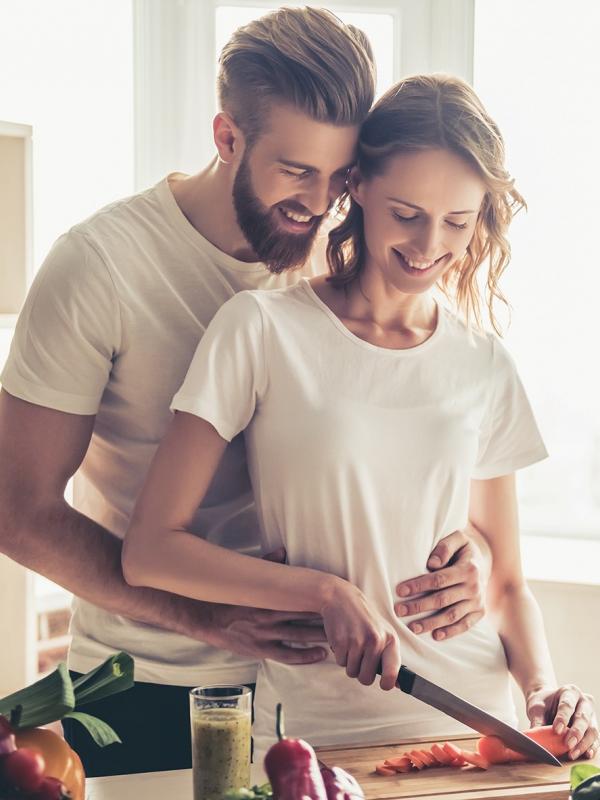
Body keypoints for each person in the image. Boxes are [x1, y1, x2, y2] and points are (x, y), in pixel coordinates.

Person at [0, 10, 489, 777]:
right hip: (151, 684)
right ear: (227, 138)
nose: (322, 202)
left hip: (317, 698)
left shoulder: (341, 259)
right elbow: (16, 511)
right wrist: (208, 618)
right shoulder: (100, 267)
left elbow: (416, 437)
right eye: (297, 172)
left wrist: (477, 555)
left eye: (340, 177)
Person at [123, 73, 599, 764]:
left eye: (458, 222)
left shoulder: (484, 362)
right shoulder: (261, 329)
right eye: (407, 212)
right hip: (318, 734)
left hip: (477, 727)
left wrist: (544, 691)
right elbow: (149, 551)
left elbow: (504, 583)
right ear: (360, 188)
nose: (429, 244)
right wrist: (321, 592)